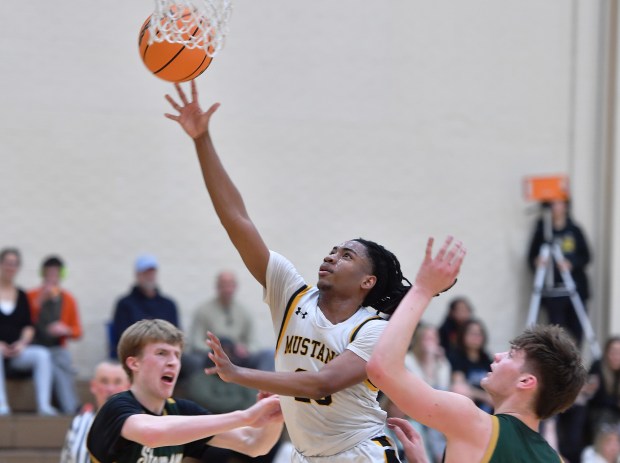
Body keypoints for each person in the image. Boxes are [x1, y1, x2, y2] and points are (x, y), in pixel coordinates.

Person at [165, 81, 417, 462]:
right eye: (332, 250)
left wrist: (239, 373)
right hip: (306, 455)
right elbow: (237, 219)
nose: (332, 256)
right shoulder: (292, 294)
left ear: (368, 281)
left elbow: (322, 383)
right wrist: (202, 139)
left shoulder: (374, 330)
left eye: (346, 255)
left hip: (359, 454)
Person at [367, 236, 588, 463]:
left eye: (511, 355)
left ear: (525, 381)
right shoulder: (556, 459)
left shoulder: (472, 422)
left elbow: (382, 368)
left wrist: (423, 289)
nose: (497, 356)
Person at [86, 319, 283, 463]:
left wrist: (275, 416)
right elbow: (152, 434)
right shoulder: (116, 407)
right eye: (161, 353)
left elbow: (254, 444)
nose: (172, 362)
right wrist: (246, 416)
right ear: (134, 363)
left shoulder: (181, 410)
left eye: (177, 355)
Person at [0, 247, 57, 416]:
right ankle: (2, 403)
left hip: (17, 351)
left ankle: (44, 405)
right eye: (7, 263)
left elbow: (28, 326)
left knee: (42, 355)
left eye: (14, 264)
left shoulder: (22, 295)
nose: (10, 267)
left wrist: (22, 343)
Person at [527, 199, 592, 345]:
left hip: (575, 287)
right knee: (556, 334)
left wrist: (571, 264)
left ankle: (576, 364)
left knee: (577, 331)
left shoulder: (574, 230)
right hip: (553, 291)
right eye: (553, 203)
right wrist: (537, 261)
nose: (556, 207)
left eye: (559, 202)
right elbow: (531, 258)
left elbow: (586, 256)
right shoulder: (542, 232)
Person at [188, 271, 274, 373]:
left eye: (230, 285)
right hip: (211, 357)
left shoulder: (244, 312)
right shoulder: (203, 311)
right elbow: (195, 343)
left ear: (235, 287)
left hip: (239, 358)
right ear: (217, 287)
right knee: (193, 361)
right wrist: (216, 349)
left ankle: (264, 387)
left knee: (269, 354)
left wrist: (245, 349)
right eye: (224, 285)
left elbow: (254, 343)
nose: (227, 289)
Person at [27, 255, 82, 414]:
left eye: (55, 273)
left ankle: (70, 407)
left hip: (57, 347)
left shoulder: (68, 300)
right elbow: (25, 321)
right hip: (35, 346)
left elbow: (77, 331)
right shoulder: (31, 296)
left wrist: (65, 329)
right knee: (54, 363)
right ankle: (71, 407)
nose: (52, 277)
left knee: (62, 361)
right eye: (48, 273)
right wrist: (39, 301)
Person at [60, 360, 130, 463]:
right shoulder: (79, 422)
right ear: (93, 386)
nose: (110, 389)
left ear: (128, 387)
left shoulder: (138, 425)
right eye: (104, 381)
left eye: (117, 382)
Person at [111, 254, 179, 358]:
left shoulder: (168, 304)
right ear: (137, 275)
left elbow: (176, 335)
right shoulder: (125, 304)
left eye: (152, 272)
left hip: (166, 354)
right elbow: (123, 337)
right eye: (145, 273)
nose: (149, 276)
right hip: (137, 355)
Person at [447, 318, 493, 413]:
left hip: (487, 404)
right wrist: (484, 396)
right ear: (463, 335)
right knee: (461, 391)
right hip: (468, 403)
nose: (476, 337)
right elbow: (459, 385)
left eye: (479, 333)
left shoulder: (486, 358)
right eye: (472, 333)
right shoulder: (456, 356)